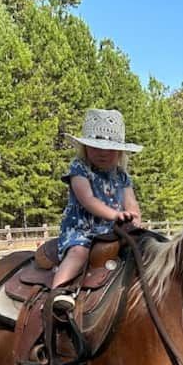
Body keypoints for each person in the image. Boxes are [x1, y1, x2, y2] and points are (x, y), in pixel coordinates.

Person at [50, 108, 143, 313]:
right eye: (96, 147)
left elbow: (131, 203)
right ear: (85, 149)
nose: (102, 153)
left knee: (142, 251)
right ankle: (57, 293)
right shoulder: (80, 169)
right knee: (78, 253)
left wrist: (134, 220)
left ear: (119, 152)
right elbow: (88, 200)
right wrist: (115, 215)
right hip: (82, 230)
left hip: (112, 232)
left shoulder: (122, 176)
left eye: (109, 149)